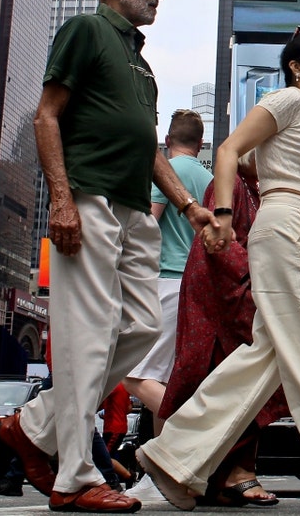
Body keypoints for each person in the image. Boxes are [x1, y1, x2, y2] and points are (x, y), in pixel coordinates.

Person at [133, 28, 300, 515]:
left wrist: (263, 179)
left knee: (268, 357)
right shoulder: (288, 99)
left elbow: (252, 163)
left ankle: (173, 457)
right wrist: (225, 216)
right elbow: (229, 150)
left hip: (298, 227)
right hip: (292, 229)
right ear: (296, 65)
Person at [0, 0, 215, 514]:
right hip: (89, 199)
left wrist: (189, 206)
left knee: (141, 329)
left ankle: (34, 425)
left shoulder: (141, 63)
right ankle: (74, 476)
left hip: (136, 211)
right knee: (89, 335)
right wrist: (63, 201)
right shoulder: (86, 30)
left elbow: (149, 148)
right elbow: (46, 116)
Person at [142, 151, 288, 507]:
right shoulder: (229, 184)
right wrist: (257, 281)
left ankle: (222, 476)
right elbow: (219, 241)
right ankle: (225, 473)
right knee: (224, 381)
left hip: (237, 295)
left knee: (244, 384)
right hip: (219, 297)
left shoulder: (255, 189)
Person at [122, 108, 212, 442]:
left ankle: (196, 429)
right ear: (201, 144)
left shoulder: (167, 172)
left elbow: (148, 221)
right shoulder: (210, 180)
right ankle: (162, 468)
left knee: (133, 376)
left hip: (164, 282)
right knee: (169, 380)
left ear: (167, 140)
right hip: (197, 287)